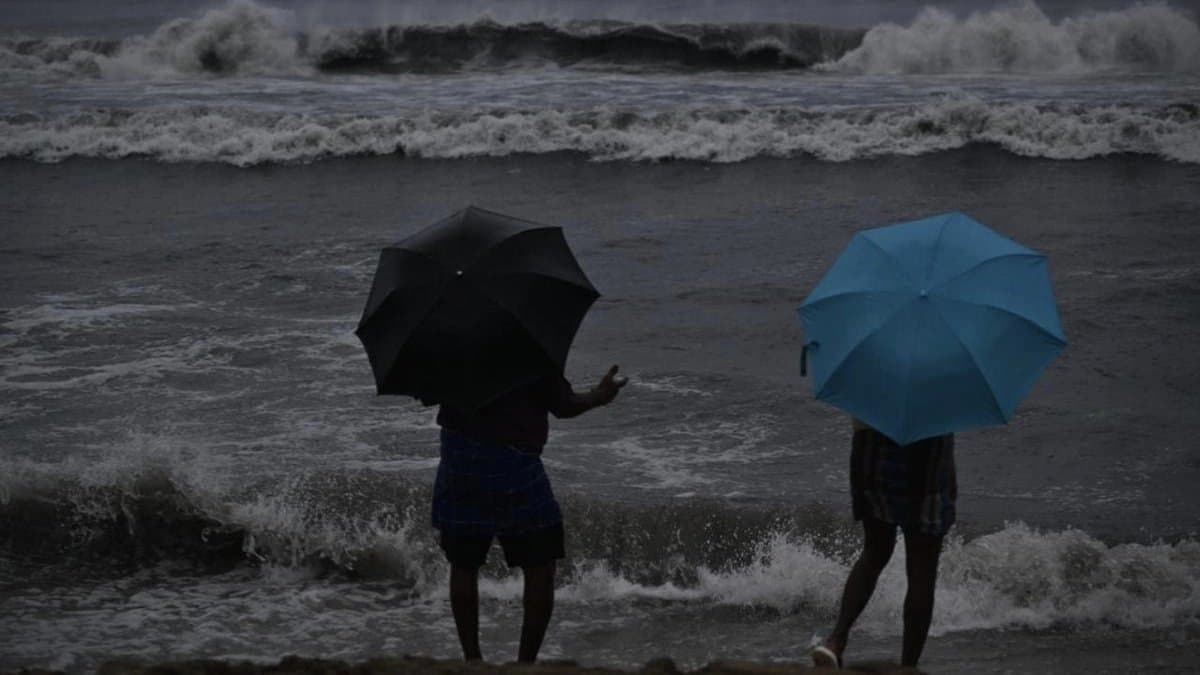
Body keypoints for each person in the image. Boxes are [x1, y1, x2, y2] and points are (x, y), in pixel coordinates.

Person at [432, 365, 627, 663]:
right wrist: (601, 395)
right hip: (513, 460)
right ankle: (525, 663)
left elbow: (429, 391)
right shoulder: (529, 348)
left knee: (463, 561)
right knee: (540, 561)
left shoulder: (450, 342)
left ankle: (472, 661)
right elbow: (563, 405)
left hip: (459, 457)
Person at [812, 418, 957, 670]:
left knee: (875, 550)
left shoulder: (868, 376)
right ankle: (907, 667)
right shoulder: (944, 376)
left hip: (872, 444)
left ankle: (836, 640)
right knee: (922, 569)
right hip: (928, 450)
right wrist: (950, 470)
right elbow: (943, 412)